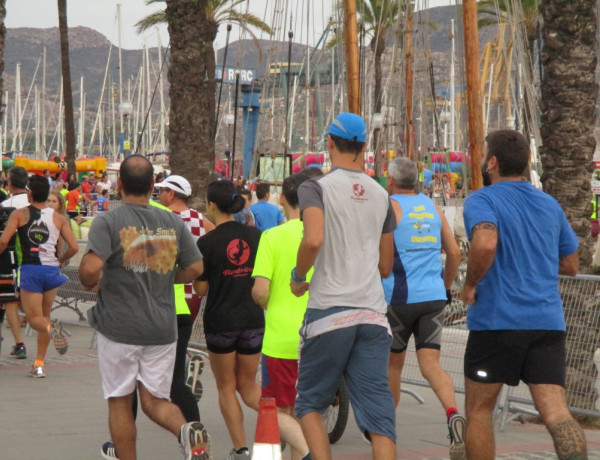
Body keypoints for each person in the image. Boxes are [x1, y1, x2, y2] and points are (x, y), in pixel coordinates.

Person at [460, 130, 586, 460]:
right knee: (558, 414)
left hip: (497, 323)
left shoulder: (482, 199)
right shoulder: (548, 204)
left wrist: (470, 284)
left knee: (479, 411)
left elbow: (485, 242)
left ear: (493, 162)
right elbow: (571, 264)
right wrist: (534, 258)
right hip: (547, 324)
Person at [79, 155, 210, 460]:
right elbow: (196, 267)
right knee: (154, 401)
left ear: (119, 184)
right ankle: (185, 431)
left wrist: (93, 272)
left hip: (119, 327)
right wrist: (166, 277)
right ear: (152, 185)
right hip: (162, 329)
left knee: (120, 402)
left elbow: (88, 271)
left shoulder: (108, 221)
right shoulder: (172, 222)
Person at [291, 112, 396, 460]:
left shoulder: (315, 187)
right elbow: (385, 265)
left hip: (330, 312)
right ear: (365, 146)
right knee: (380, 419)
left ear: (330, 143)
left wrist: (298, 276)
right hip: (373, 315)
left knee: (309, 403)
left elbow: (313, 239)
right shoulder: (381, 195)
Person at [383, 157, 465, 459]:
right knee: (432, 366)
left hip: (399, 297)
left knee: (393, 365)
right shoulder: (432, 206)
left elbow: (383, 255)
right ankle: (453, 413)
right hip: (432, 297)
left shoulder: (389, 207)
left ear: (391, 181)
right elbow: (454, 251)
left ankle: (385, 431)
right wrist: (445, 285)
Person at [193, 180, 263, 460]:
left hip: (221, 322)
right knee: (248, 387)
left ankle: (241, 449)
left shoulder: (207, 242)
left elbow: (200, 289)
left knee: (226, 387)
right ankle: (288, 422)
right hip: (253, 318)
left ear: (211, 204)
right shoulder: (256, 236)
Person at [252, 172, 318, 460]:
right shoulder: (322, 235)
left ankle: (307, 453)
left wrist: (266, 301)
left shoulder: (272, 237)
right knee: (305, 413)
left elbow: (261, 292)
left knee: (277, 410)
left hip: (281, 339)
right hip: (318, 336)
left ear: (282, 199)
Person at [0, 175, 79, 377]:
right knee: (44, 316)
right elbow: (75, 247)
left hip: (31, 270)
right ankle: (39, 364)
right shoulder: (58, 218)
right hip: (52, 272)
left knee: (35, 319)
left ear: (30, 193)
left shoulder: (20, 214)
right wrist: (61, 260)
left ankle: (53, 330)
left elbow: (3, 241)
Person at [1, 166, 31, 359]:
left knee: (10, 301)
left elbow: (4, 238)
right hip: (38, 259)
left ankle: (20, 343)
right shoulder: (36, 202)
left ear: (9, 183)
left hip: (12, 258)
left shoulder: (6, 206)